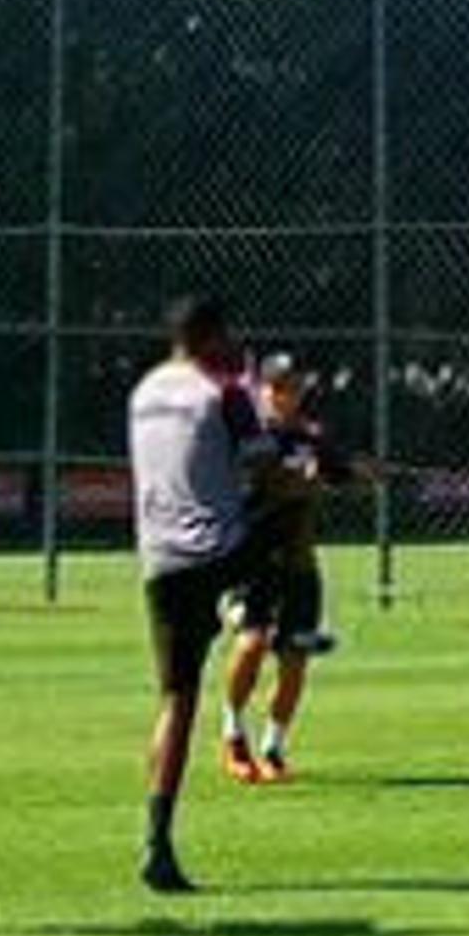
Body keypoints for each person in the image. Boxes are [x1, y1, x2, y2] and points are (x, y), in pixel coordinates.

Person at [127, 295, 286, 895]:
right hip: (220, 549)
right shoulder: (222, 391)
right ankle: (269, 616)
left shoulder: (143, 392)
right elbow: (265, 469)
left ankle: (156, 840)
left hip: (159, 559)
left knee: (177, 699)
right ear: (213, 336)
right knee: (294, 507)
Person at [216, 352, 357, 785]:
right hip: (253, 562)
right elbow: (262, 485)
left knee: (295, 659)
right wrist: (300, 478)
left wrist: (354, 471)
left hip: (300, 565)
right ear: (261, 390)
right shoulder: (248, 440)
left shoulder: (311, 437)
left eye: (292, 387)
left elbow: (341, 472)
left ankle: (273, 746)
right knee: (253, 643)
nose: (284, 395)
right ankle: (233, 733)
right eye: (276, 387)